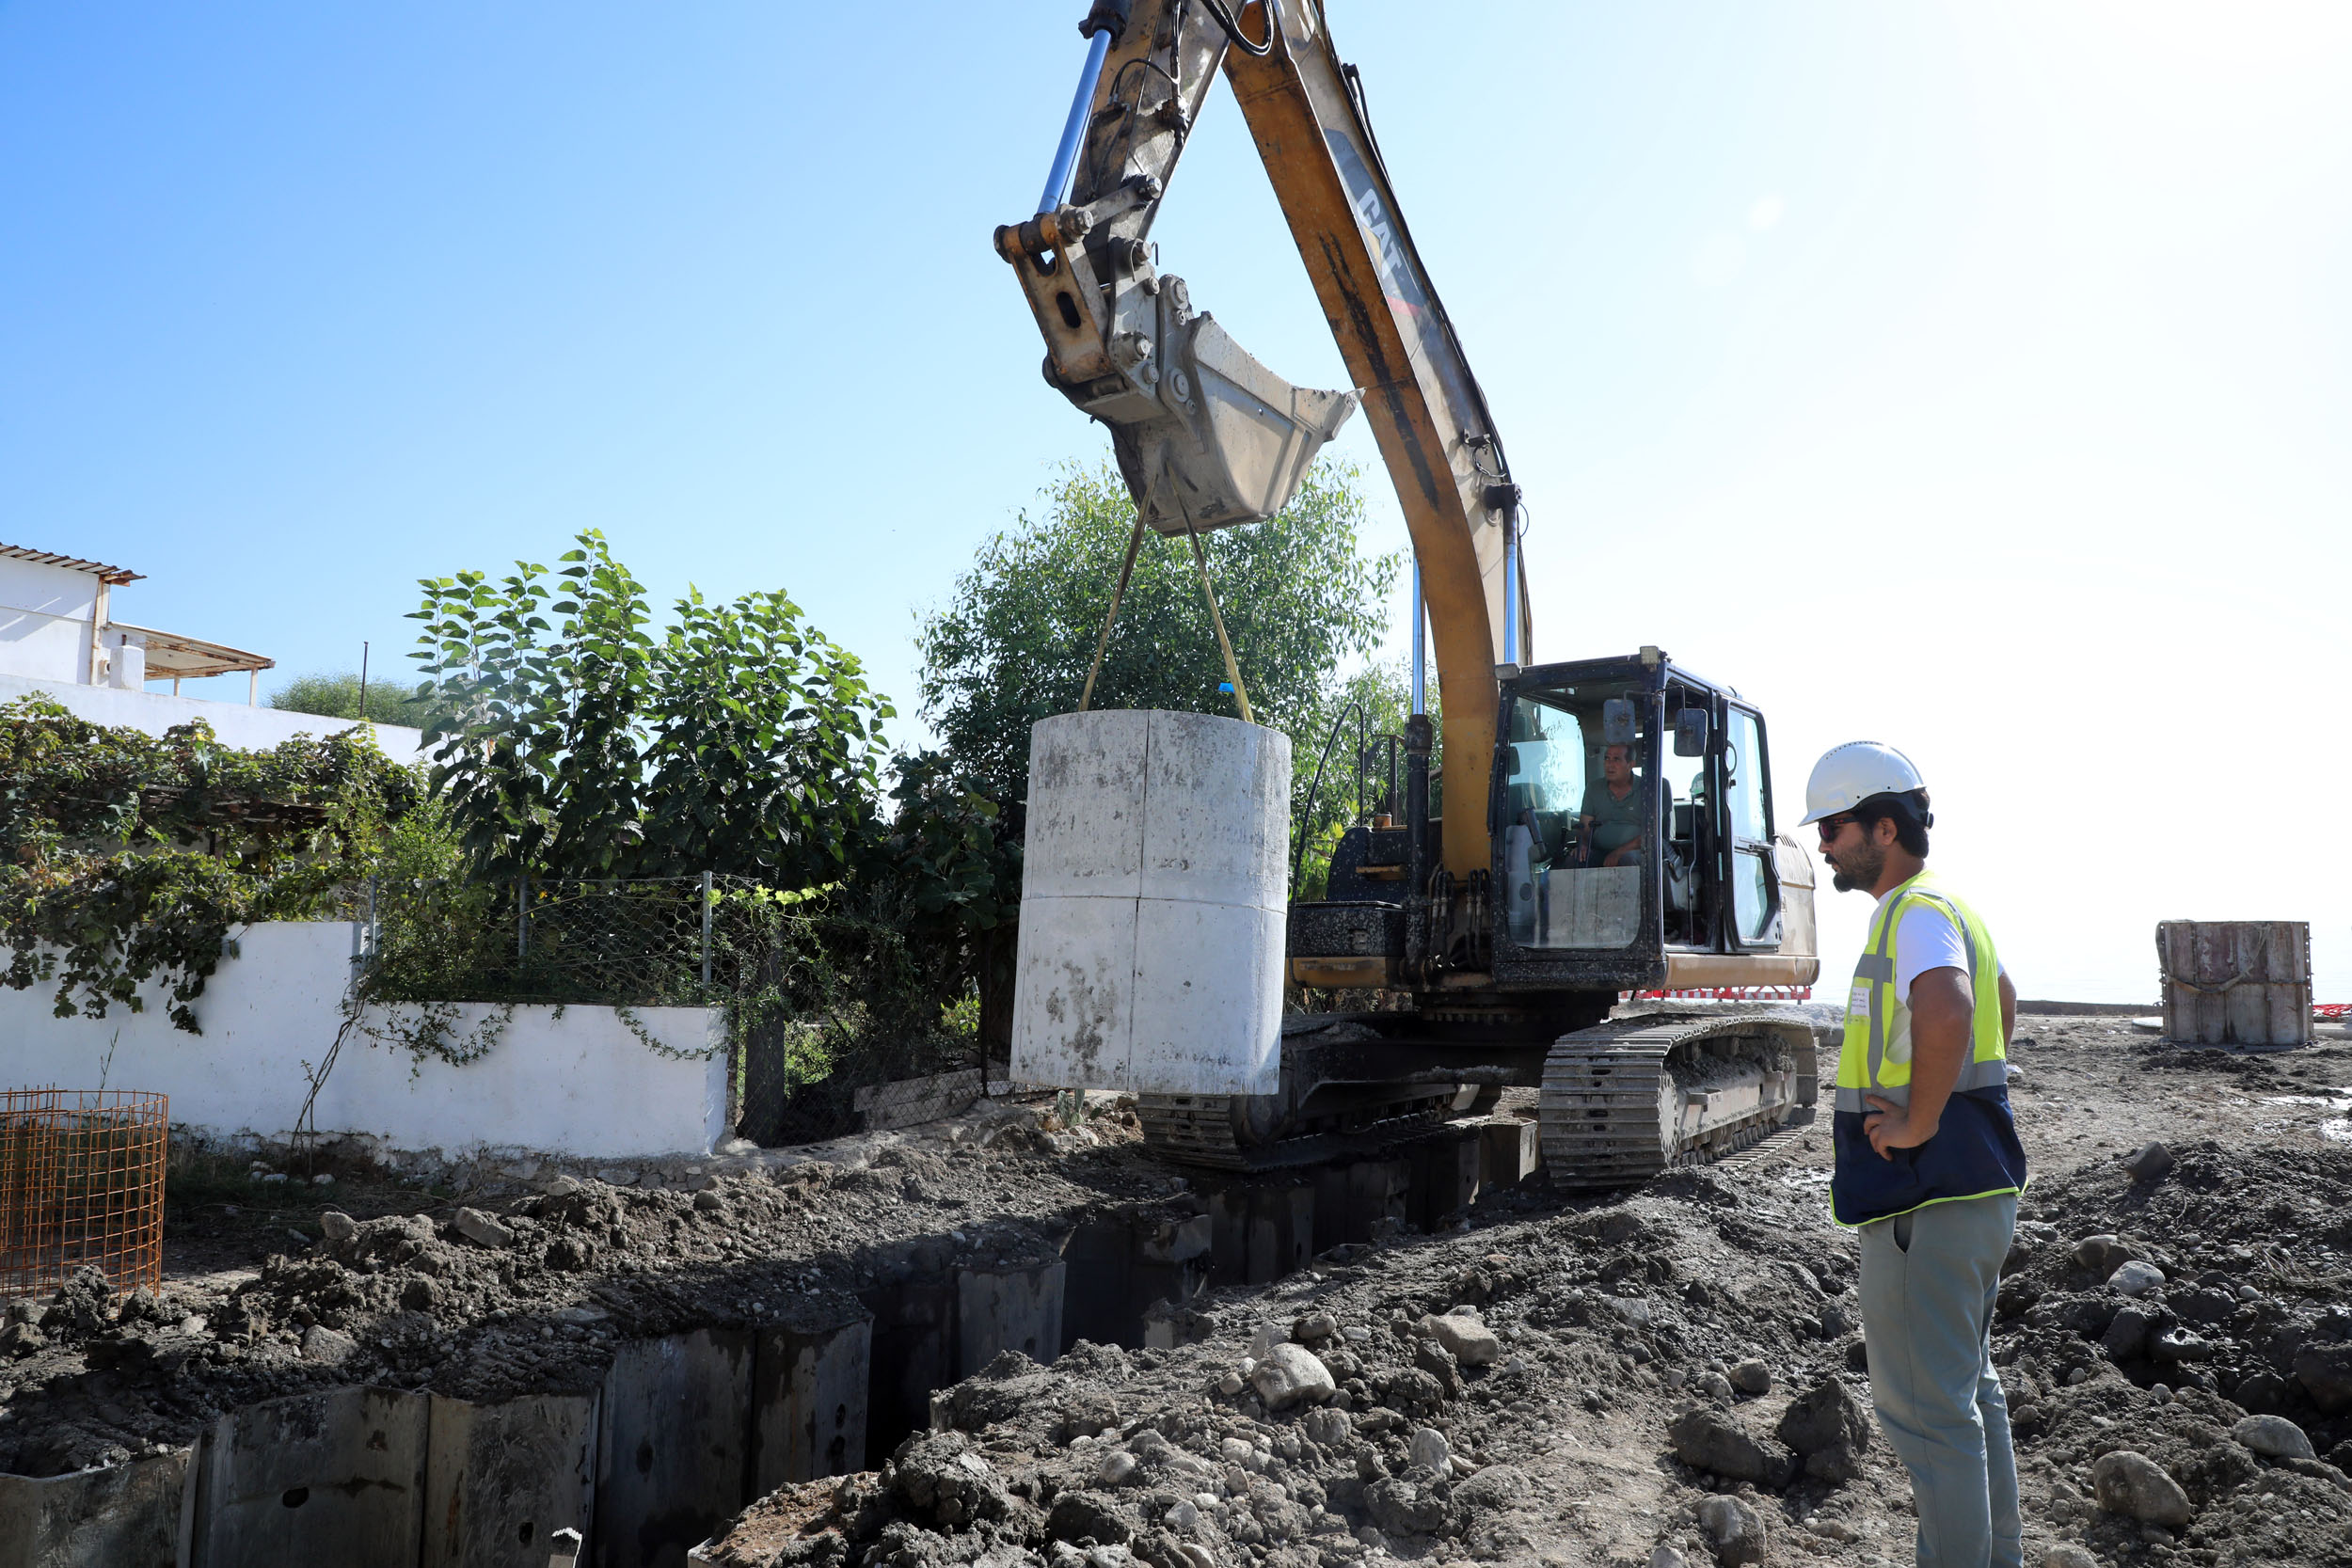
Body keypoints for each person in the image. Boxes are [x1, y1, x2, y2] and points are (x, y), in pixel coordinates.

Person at [1802, 740, 2027, 1568]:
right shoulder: (1952, 908)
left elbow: (1952, 1007)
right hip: (1977, 1192)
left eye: (1833, 826)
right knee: (1970, 1393)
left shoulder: (1914, 915)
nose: (1823, 844)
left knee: (1927, 1415)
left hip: (1923, 1201)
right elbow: (2001, 1001)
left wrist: (1921, 1121)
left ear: (1883, 828)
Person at [1577, 742, 1645, 867]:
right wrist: (1583, 845)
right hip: (1600, 852)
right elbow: (1584, 828)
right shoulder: (1594, 788)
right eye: (1607, 758)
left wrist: (1618, 852)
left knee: (1628, 860)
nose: (1609, 764)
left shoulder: (1649, 788)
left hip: (1638, 852)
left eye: (1616, 759)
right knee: (1577, 859)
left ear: (1631, 764)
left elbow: (1652, 834)